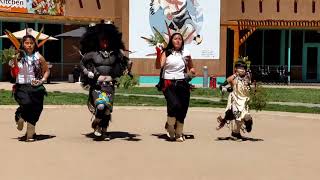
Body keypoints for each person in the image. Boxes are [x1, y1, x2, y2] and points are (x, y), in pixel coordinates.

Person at [79, 21, 132, 140]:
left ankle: (104, 131)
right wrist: (87, 72)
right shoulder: (92, 54)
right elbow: (81, 63)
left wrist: (127, 69)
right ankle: (96, 124)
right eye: (102, 40)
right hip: (97, 85)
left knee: (107, 110)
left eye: (107, 40)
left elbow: (126, 64)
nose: (105, 42)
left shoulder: (116, 54)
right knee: (101, 106)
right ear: (98, 40)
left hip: (110, 85)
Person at [155, 32, 196, 142]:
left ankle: (178, 133)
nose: (178, 40)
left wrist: (192, 71)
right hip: (168, 83)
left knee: (183, 108)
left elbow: (191, 67)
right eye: (175, 39)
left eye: (180, 39)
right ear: (171, 41)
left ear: (182, 41)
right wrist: (159, 53)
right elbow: (158, 66)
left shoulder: (186, 53)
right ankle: (171, 126)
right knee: (174, 104)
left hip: (182, 83)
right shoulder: (166, 53)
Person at [9, 35, 50, 142]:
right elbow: (13, 75)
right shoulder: (18, 57)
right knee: (27, 103)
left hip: (36, 87)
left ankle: (30, 135)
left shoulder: (39, 56)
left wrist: (41, 80)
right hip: (21, 87)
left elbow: (47, 71)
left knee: (37, 109)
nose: (29, 45)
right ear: (22, 44)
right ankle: (20, 116)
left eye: (31, 43)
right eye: (26, 43)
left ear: (34, 44)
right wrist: (13, 64)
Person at [216, 60, 253, 140]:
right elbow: (222, 86)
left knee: (246, 116)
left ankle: (247, 125)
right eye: (240, 68)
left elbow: (250, 88)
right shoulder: (233, 78)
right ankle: (235, 133)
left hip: (245, 100)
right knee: (238, 119)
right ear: (236, 69)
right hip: (235, 100)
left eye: (243, 68)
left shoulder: (247, 77)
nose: (242, 70)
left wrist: (249, 84)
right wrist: (226, 89)